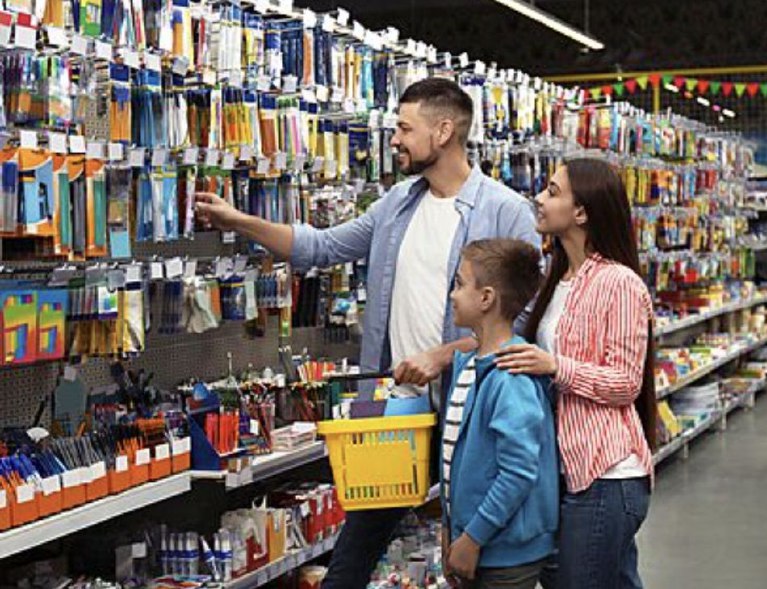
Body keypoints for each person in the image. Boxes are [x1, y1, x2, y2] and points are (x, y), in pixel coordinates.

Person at [194, 77, 539, 589]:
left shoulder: (504, 210)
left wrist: (446, 354)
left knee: (474, 557)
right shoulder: (398, 204)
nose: (394, 139)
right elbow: (321, 247)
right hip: (396, 408)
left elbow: (521, 325)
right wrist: (238, 220)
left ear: (443, 131)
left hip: (469, 411)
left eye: (404, 128)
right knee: (350, 562)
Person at [495, 158, 656, 589]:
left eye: (551, 191)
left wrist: (555, 366)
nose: (539, 199)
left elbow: (625, 383)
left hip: (605, 473)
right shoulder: (560, 279)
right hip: (570, 469)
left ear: (581, 211)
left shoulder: (619, 284)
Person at [443, 239, 558, 589]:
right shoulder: (467, 365)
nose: (452, 295)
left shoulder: (510, 376)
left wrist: (473, 538)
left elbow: (518, 472)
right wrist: (453, 531)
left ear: (486, 298)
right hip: (474, 543)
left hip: (506, 553)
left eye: (460, 284)